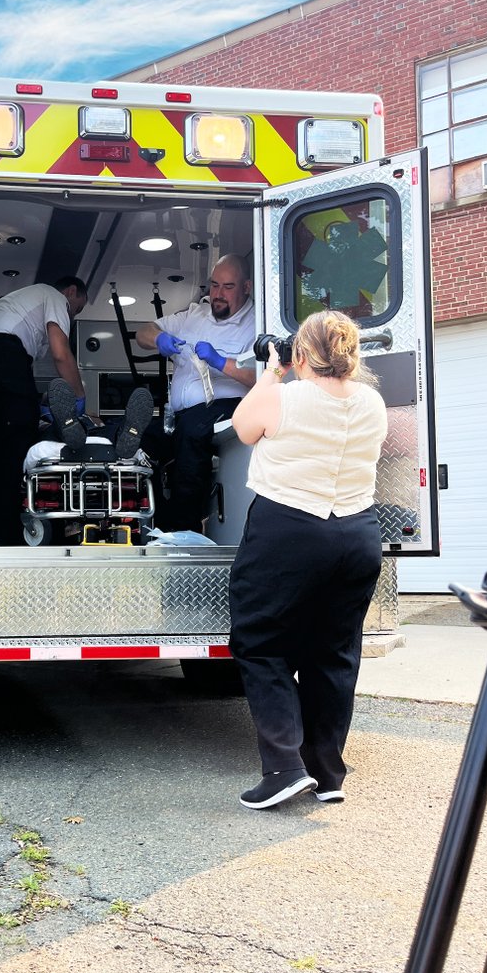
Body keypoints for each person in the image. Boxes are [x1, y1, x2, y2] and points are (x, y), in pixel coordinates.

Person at [227, 311, 388, 811]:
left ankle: (283, 770)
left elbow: (243, 428)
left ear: (300, 354)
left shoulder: (281, 394)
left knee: (260, 644)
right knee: (334, 654)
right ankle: (327, 772)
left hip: (290, 530)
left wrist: (271, 372)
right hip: (358, 533)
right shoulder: (372, 401)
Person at [134, 254, 256, 532]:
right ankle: (158, 524)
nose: (218, 295)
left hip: (228, 408)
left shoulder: (256, 323)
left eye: (228, 287)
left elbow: (265, 376)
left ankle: (185, 530)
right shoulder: (194, 314)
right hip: (180, 415)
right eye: (214, 286)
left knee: (191, 432)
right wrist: (159, 339)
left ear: (246, 287)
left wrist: (221, 361)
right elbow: (143, 333)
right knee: (142, 441)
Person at [0, 277, 88, 545]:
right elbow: (60, 353)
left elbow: (20, 375)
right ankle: (8, 535)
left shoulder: (19, 306)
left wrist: (36, 401)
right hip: (1, 356)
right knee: (16, 442)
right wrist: (79, 396)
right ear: (72, 291)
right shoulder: (54, 296)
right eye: (76, 309)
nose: (72, 316)